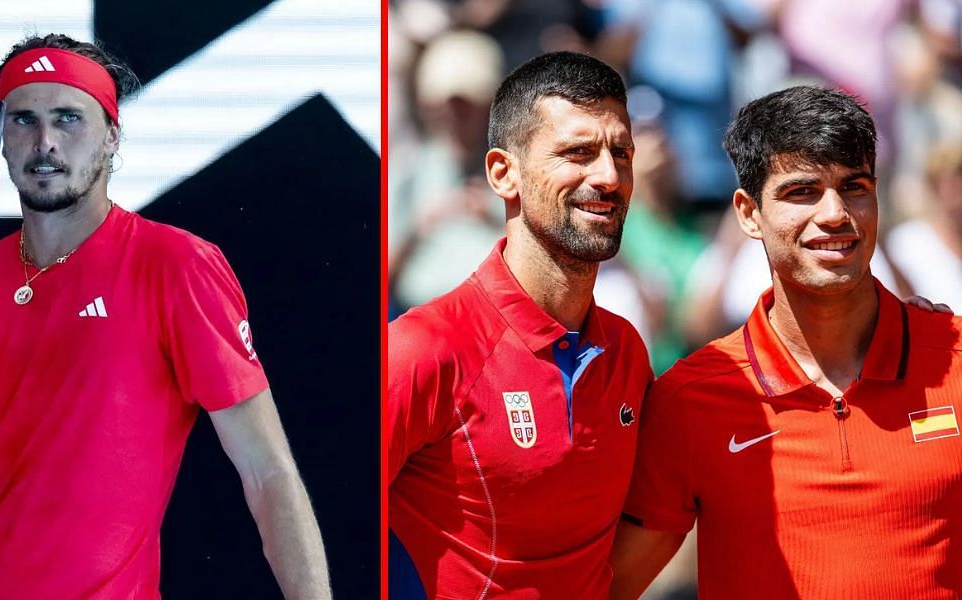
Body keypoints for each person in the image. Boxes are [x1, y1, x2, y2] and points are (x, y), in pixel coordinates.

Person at [0, 34, 330, 599]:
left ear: (112, 135)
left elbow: (268, 476)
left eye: (69, 119)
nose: (45, 143)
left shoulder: (177, 266)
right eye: (23, 120)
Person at [611, 86, 962, 598]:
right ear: (748, 214)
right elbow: (612, 585)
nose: (836, 213)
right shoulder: (690, 399)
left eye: (854, 186)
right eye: (802, 192)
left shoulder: (954, 358)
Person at [387, 51, 653, 598]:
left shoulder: (626, 349)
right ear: (503, 174)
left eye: (621, 154)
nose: (608, 176)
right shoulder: (422, 349)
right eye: (578, 153)